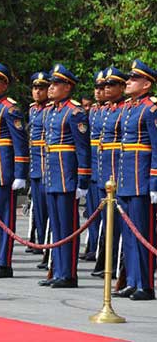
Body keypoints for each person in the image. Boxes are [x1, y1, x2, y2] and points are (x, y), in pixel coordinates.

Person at [112, 59, 157, 301]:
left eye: (133, 79)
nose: (128, 82)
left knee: (143, 233)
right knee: (128, 234)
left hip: (141, 180)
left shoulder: (152, 109)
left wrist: (154, 183)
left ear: (147, 84)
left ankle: (146, 284)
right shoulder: (129, 108)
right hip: (127, 179)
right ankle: (131, 280)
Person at [42, 64, 90, 288]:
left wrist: (82, 179)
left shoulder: (75, 112)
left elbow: (82, 148)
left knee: (68, 226)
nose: (50, 88)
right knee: (57, 226)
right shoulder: (52, 111)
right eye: (50, 84)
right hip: (52, 175)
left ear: (67, 87)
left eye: (55, 84)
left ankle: (69, 273)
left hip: (66, 175)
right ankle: (58, 270)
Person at [0, 62, 29, 278]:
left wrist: (20, 173)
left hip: (3, 171)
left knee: (4, 218)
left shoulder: (10, 109)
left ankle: (4, 262)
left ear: (5, 85)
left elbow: (20, 143)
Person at [91, 66, 127, 278]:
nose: (104, 89)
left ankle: (117, 265)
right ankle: (106, 261)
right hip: (102, 172)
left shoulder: (124, 109)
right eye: (103, 86)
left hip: (118, 173)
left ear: (121, 87)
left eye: (110, 85)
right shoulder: (103, 110)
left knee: (119, 224)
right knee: (106, 221)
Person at [83, 70, 106, 262]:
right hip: (92, 169)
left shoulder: (112, 111)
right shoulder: (94, 111)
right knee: (92, 214)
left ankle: (103, 253)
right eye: (97, 88)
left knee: (107, 217)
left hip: (106, 170)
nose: (99, 91)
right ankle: (93, 246)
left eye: (103, 87)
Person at [27, 72, 51, 262]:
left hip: (47, 164)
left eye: (41, 88)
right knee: (39, 209)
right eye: (35, 88)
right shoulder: (33, 109)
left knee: (48, 209)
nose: (37, 92)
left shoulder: (51, 110)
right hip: (35, 164)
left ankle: (48, 248)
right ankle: (41, 241)